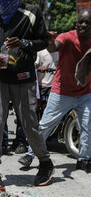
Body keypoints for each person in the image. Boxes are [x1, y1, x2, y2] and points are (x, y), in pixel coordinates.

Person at [0, 0, 54, 190]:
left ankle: (45, 162)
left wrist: (24, 43)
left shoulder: (32, 12)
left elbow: (42, 41)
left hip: (23, 78)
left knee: (29, 124)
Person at [20, 9, 91, 173]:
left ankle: (83, 159)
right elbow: (53, 47)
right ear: (76, 23)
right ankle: (30, 155)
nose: (83, 25)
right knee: (45, 125)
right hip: (61, 92)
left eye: (87, 22)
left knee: (87, 126)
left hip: (85, 92)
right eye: (81, 21)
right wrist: (49, 41)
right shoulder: (67, 36)